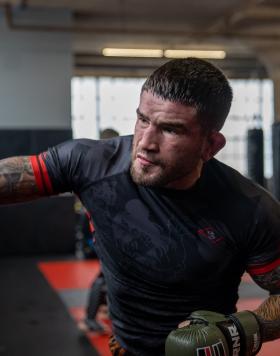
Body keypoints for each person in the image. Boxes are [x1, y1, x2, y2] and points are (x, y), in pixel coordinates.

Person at [1, 58, 280, 356]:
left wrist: (245, 329)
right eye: (143, 119)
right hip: (123, 348)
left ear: (210, 145)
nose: (145, 142)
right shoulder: (93, 164)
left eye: (171, 130)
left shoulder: (249, 209)